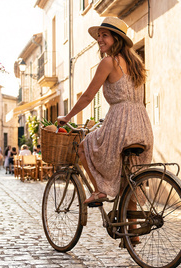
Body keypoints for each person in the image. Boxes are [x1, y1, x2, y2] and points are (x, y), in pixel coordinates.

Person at [57, 17, 153, 206]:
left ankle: (100, 190)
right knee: (130, 179)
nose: (100, 39)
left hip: (120, 123)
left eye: (105, 35)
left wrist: (67, 117)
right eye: (99, 36)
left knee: (84, 147)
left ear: (116, 38)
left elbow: (87, 97)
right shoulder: (136, 63)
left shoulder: (109, 62)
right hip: (142, 126)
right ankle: (133, 235)